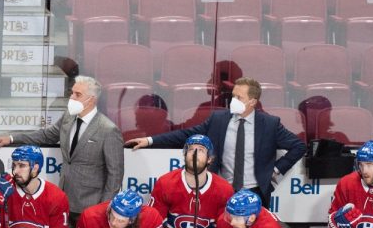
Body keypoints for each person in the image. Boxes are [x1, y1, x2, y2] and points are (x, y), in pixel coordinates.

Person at [0, 75, 124, 228]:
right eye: (72, 93)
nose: (72, 98)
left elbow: (115, 174)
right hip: (63, 199)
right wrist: (13, 138)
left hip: (90, 205)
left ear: (91, 99)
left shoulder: (108, 130)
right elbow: (46, 135)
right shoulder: (68, 117)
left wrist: (103, 208)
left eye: (77, 94)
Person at [126, 77, 307, 208]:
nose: (233, 101)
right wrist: (149, 140)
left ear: (252, 102)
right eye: (233, 96)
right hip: (222, 190)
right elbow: (185, 135)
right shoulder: (218, 120)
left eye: (239, 98)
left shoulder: (269, 124)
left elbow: (298, 146)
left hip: (255, 191)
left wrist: (275, 170)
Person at [149, 134, 234, 228]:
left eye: (200, 150)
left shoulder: (224, 190)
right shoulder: (165, 183)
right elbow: (152, 223)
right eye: (190, 149)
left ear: (210, 159)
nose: (194, 153)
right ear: (184, 154)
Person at [0, 145, 70, 228]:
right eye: (14, 165)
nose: (15, 171)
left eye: (22, 165)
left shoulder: (56, 196)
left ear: (35, 168)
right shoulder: (5, 189)